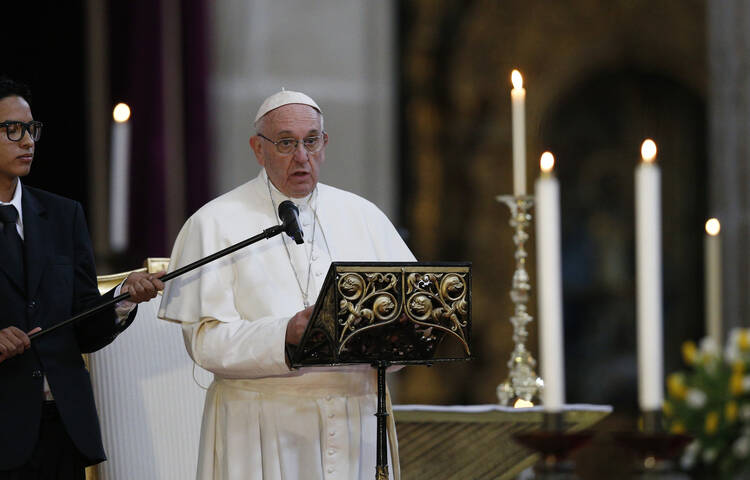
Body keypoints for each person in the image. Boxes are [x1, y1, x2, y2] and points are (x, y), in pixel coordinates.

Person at [159, 90, 415, 480]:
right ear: (258, 149)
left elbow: (408, 324)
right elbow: (205, 344)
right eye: (286, 143)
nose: (301, 156)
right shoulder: (214, 222)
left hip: (356, 422)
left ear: (324, 144)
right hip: (261, 424)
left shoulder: (364, 216)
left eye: (311, 141)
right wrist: (286, 335)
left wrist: (394, 342)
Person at [0, 76, 165, 479]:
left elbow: (85, 327)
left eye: (32, 129)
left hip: (63, 428)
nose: (28, 141)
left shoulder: (62, 215)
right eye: (12, 130)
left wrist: (123, 299)